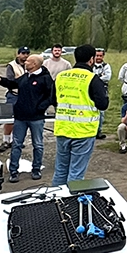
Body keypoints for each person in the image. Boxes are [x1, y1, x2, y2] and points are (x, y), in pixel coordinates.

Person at [51, 44, 109, 185]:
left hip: (63, 129)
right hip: (83, 132)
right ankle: (71, 204)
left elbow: (53, 99)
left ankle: (56, 202)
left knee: (60, 170)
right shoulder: (93, 79)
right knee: (76, 173)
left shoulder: (61, 76)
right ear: (91, 59)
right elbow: (103, 105)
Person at [0, 54, 54, 182]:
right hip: (20, 117)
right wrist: (0, 79)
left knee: (38, 144)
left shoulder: (45, 78)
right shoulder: (25, 77)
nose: (25, 63)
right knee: (17, 144)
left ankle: (36, 169)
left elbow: (51, 97)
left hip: (36, 117)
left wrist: (40, 108)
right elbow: (13, 84)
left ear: (35, 64)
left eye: (28, 61)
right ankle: (13, 171)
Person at [0, 46, 30, 153]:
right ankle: (6, 140)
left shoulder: (30, 64)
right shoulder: (11, 66)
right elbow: (10, 81)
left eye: (27, 53)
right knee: (9, 119)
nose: (25, 55)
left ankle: (16, 140)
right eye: (23, 53)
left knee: (21, 119)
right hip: (14, 94)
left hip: (25, 96)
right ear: (18, 54)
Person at [92, 48, 113, 140]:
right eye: (97, 55)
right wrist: (99, 77)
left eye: (100, 55)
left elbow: (107, 77)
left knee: (101, 111)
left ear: (103, 56)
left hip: (102, 89)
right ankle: (91, 130)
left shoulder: (106, 66)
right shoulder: (90, 65)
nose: (99, 57)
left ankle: (99, 130)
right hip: (91, 90)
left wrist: (95, 78)